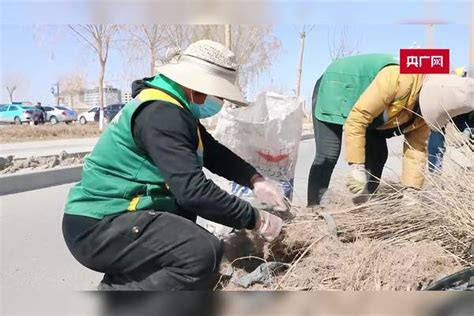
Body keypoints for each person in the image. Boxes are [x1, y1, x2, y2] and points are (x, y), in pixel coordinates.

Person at [62, 40, 286, 291]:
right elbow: (194, 192)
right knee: (201, 252)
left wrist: (255, 180)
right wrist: (256, 219)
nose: (220, 101)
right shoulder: (161, 114)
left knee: (184, 236)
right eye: (219, 94)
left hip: (120, 219)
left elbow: (212, 152)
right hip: (99, 225)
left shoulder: (175, 106)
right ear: (196, 86)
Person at [307, 54, 474, 206]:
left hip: (371, 113)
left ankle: (361, 202)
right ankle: (314, 207)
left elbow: (415, 149)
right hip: (337, 86)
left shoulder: (423, 116)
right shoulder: (397, 79)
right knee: (328, 154)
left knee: (379, 155)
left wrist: (412, 191)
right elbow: (357, 119)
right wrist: (357, 166)